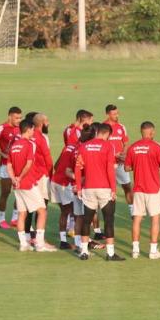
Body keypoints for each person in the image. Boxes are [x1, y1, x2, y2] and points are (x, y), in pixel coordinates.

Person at [8, 119, 56, 252]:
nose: (33, 132)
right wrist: (21, 177)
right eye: (32, 129)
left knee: (22, 214)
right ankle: (40, 244)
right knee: (42, 211)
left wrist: (14, 178)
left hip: (17, 185)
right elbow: (29, 164)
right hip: (28, 183)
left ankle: (23, 244)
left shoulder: (14, 145)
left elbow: (9, 165)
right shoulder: (29, 144)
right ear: (28, 129)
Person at [74, 123, 119, 260]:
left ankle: (84, 252)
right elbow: (110, 169)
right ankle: (110, 254)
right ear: (107, 134)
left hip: (88, 188)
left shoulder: (83, 146)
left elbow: (77, 168)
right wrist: (113, 189)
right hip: (104, 188)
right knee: (109, 220)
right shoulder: (108, 146)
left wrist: (78, 187)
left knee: (86, 221)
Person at [125, 121, 160, 260]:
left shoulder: (133, 147)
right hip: (153, 189)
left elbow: (126, 168)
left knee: (137, 219)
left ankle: (135, 250)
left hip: (138, 189)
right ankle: (153, 251)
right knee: (155, 219)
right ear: (152, 132)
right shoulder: (156, 147)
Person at [0, 106, 23, 229]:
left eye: (20, 117)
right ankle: (1, 219)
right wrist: (2, 154)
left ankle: (14, 218)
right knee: (5, 192)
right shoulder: (1, 128)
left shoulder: (20, 128)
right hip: (6, 166)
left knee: (20, 192)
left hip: (19, 166)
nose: (19, 120)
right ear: (10, 116)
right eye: (16, 117)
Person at [104, 104, 133, 229]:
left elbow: (126, 143)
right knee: (109, 191)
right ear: (108, 114)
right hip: (108, 164)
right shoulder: (103, 127)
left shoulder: (121, 127)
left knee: (127, 186)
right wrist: (113, 155)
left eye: (117, 113)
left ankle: (133, 211)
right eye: (114, 113)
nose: (117, 115)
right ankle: (109, 215)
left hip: (121, 164)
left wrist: (124, 154)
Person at [51, 141, 79, 250]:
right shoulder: (80, 150)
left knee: (65, 212)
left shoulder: (68, 147)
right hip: (65, 184)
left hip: (55, 181)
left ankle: (63, 241)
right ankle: (79, 241)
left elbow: (57, 165)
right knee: (77, 213)